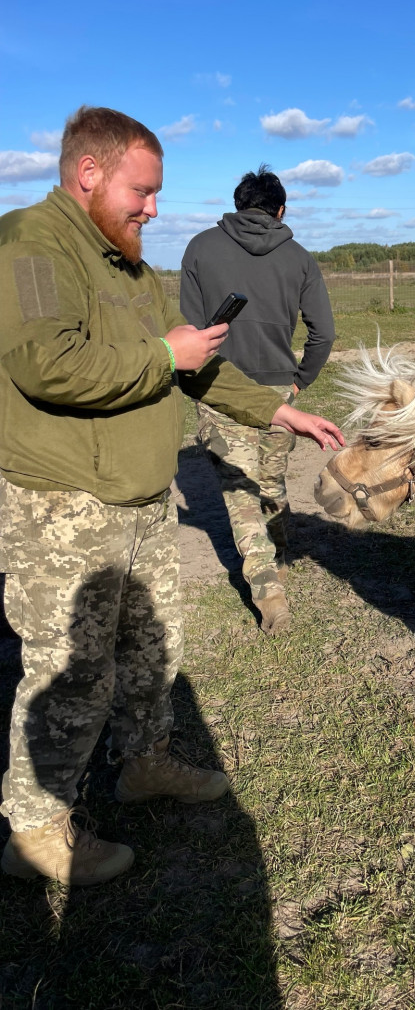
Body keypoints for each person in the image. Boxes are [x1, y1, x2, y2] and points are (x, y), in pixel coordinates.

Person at [0, 106, 344, 886]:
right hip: (68, 506)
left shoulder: (128, 262)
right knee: (71, 669)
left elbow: (197, 365)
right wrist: (165, 350)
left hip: (142, 499)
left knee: (152, 649)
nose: (153, 208)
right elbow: (48, 364)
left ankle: (145, 762)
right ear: (89, 173)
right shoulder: (31, 243)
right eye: (143, 190)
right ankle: (35, 831)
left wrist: (277, 408)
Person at [180, 166, 335, 634]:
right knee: (271, 483)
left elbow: (187, 328)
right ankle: (279, 557)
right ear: (281, 209)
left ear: (237, 203)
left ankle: (269, 595)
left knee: (240, 497)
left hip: (219, 386)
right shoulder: (300, 258)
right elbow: (323, 333)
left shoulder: (200, 248)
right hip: (277, 392)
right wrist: (298, 383)